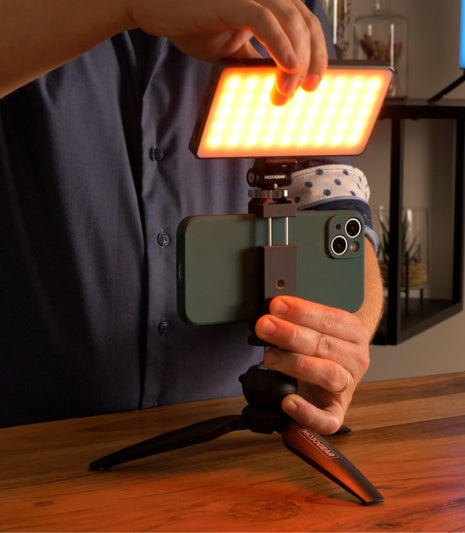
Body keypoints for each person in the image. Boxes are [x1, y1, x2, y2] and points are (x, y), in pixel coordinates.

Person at [0, 0, 384, 431]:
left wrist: (336, 345)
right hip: (29, 437)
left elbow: (334, 200)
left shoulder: (288, 9)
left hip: (237, 432)